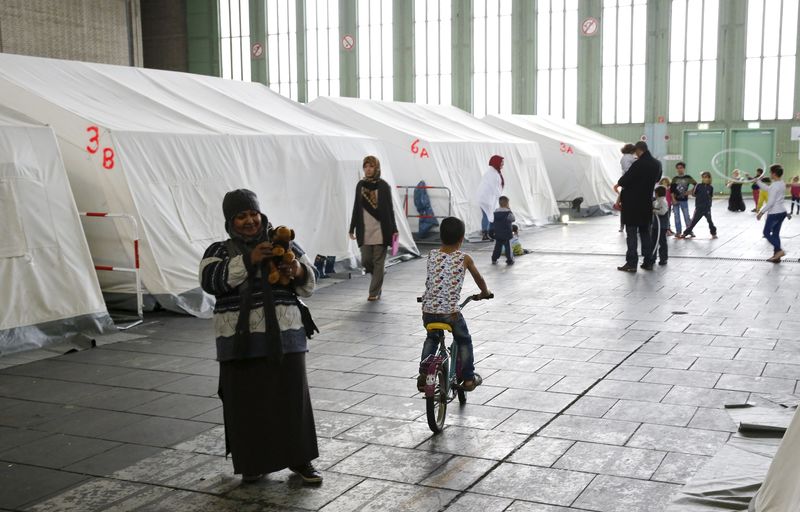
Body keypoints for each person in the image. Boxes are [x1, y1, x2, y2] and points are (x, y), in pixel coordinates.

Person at [199, 189, 321, 485]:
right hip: (239, 342)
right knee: (247, 404)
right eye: (241, 216)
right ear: (230, 220)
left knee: (291, 400)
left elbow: (311, 281)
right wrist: (249, 259)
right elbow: (209, 280)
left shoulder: (283, 242)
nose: (249, 220)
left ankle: (300, 459)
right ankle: (254, 462)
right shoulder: (219, 250)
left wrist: (297, 270)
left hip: (286, 337)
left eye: (253, 213)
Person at [417, 217, 491, 392]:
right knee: (464, 340)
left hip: (428, 311)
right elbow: (479, 279)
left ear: (441, 237)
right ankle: (468, 379)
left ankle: (423, 374)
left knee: (432, 338)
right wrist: (485, 293)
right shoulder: (465, 258)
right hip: (450, 313)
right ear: (462, 238)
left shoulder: (432, 255)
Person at [349, 155, 398, 301]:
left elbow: (390, 209)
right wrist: (351, 227)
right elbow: (356, 208)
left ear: (376, 168)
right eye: (366, 166)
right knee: (366, 261)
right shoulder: (360, 185)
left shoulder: (383, 186)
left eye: (371, 166)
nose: (368, 169)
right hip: (365, 230)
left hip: (382, 230)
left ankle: (373, 292)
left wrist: (394, 229)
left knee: (378, 261)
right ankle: (379, 274)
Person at [616, 141, 662, 272]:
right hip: (646, 203)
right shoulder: (657, 164)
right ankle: (648, 262)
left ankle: (631, 263)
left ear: (639, 150)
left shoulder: (638, 164)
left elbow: (623, 181)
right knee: (645, 233)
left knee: (631, 234)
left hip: (632, 204)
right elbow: (657, 179)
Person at [757, 165, 788, 262]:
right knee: (775, 234)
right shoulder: (780, 183)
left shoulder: (775, 185)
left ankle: (779, 250)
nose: (769, 174)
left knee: (766, 233)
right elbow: (767, 188)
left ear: (774, 173)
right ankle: (777, 256)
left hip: (775, 213)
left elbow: (770, 203)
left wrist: (761, 212)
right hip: (782, 212)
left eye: (770, 172)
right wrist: (757, 181)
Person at [680, 171, 717, 239]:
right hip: (699, 208)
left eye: (706, 177)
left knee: (710, 221)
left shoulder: (710, 187)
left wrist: (709, 205)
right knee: (693, 222)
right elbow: (694, 194)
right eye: (703, 177)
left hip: (707, 208)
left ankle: (713, 233)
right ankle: (685, 233)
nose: (705, 179)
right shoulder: (698, 185)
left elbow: (710, 196)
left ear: (709, 178)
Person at [476, 155, 505, 241]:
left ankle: (490, 233)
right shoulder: (492, 173)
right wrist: (501, 198)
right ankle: (485, 234)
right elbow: (494, 187)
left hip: (488, 197)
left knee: (490, 215)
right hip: (486, 198)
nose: (503, 164)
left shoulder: (494, 172)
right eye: (501, 162)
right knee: (487, 215)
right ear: (497, 162)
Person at [670, 162, 696, 237]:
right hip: (676, 200)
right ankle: (678, 232)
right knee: (676, 216)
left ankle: (689, 231)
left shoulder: (688, 177)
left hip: (684, 200)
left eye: (681, 168)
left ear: (684, 168)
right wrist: (673, 199)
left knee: (686, 216)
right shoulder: (675, 179)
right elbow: (671, 190)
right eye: (678, 168)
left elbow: (696, 185)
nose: (679, 169)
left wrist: (690, 192)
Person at [615, 143, 637, 232]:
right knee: (628, 207)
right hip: (630, 183)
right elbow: (632, 167)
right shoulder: (630, 157)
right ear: (632, 150)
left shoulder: (624, 157)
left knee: (624, 207)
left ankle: (622, 225)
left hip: (625, 183)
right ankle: (629, 224)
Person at [648, 185, 670, 267]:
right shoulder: (657, 201)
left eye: (655, 192)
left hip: (662, 226)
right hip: (656, 226)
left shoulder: (663, 201)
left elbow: (663, 211)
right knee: (654, 241)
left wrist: (654, 211)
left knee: (661, 242)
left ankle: (663, 258)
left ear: (657, 193)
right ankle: (652, 257)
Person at [491, 196, 515, 265]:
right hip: (506, 234)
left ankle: (494, 259)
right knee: (508, 248)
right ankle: (509, 260)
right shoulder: (508, 212)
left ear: (499, 203)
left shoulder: (495, 212)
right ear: (507, 203)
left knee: (497, 247)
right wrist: (510, 210)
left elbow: (492, 222)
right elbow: (513, 219)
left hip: (498, 233)